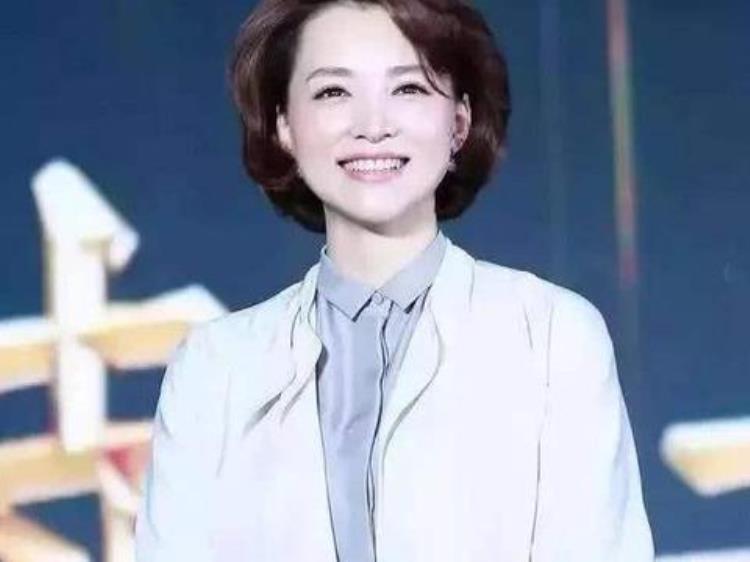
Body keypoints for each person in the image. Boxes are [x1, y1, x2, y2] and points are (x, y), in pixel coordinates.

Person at [135, 0, 654, 560]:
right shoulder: (214, 369)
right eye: (334, 92)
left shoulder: (553, 337)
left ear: (459, 121)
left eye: (408, 88)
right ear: (284, 124)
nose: (373, 126)